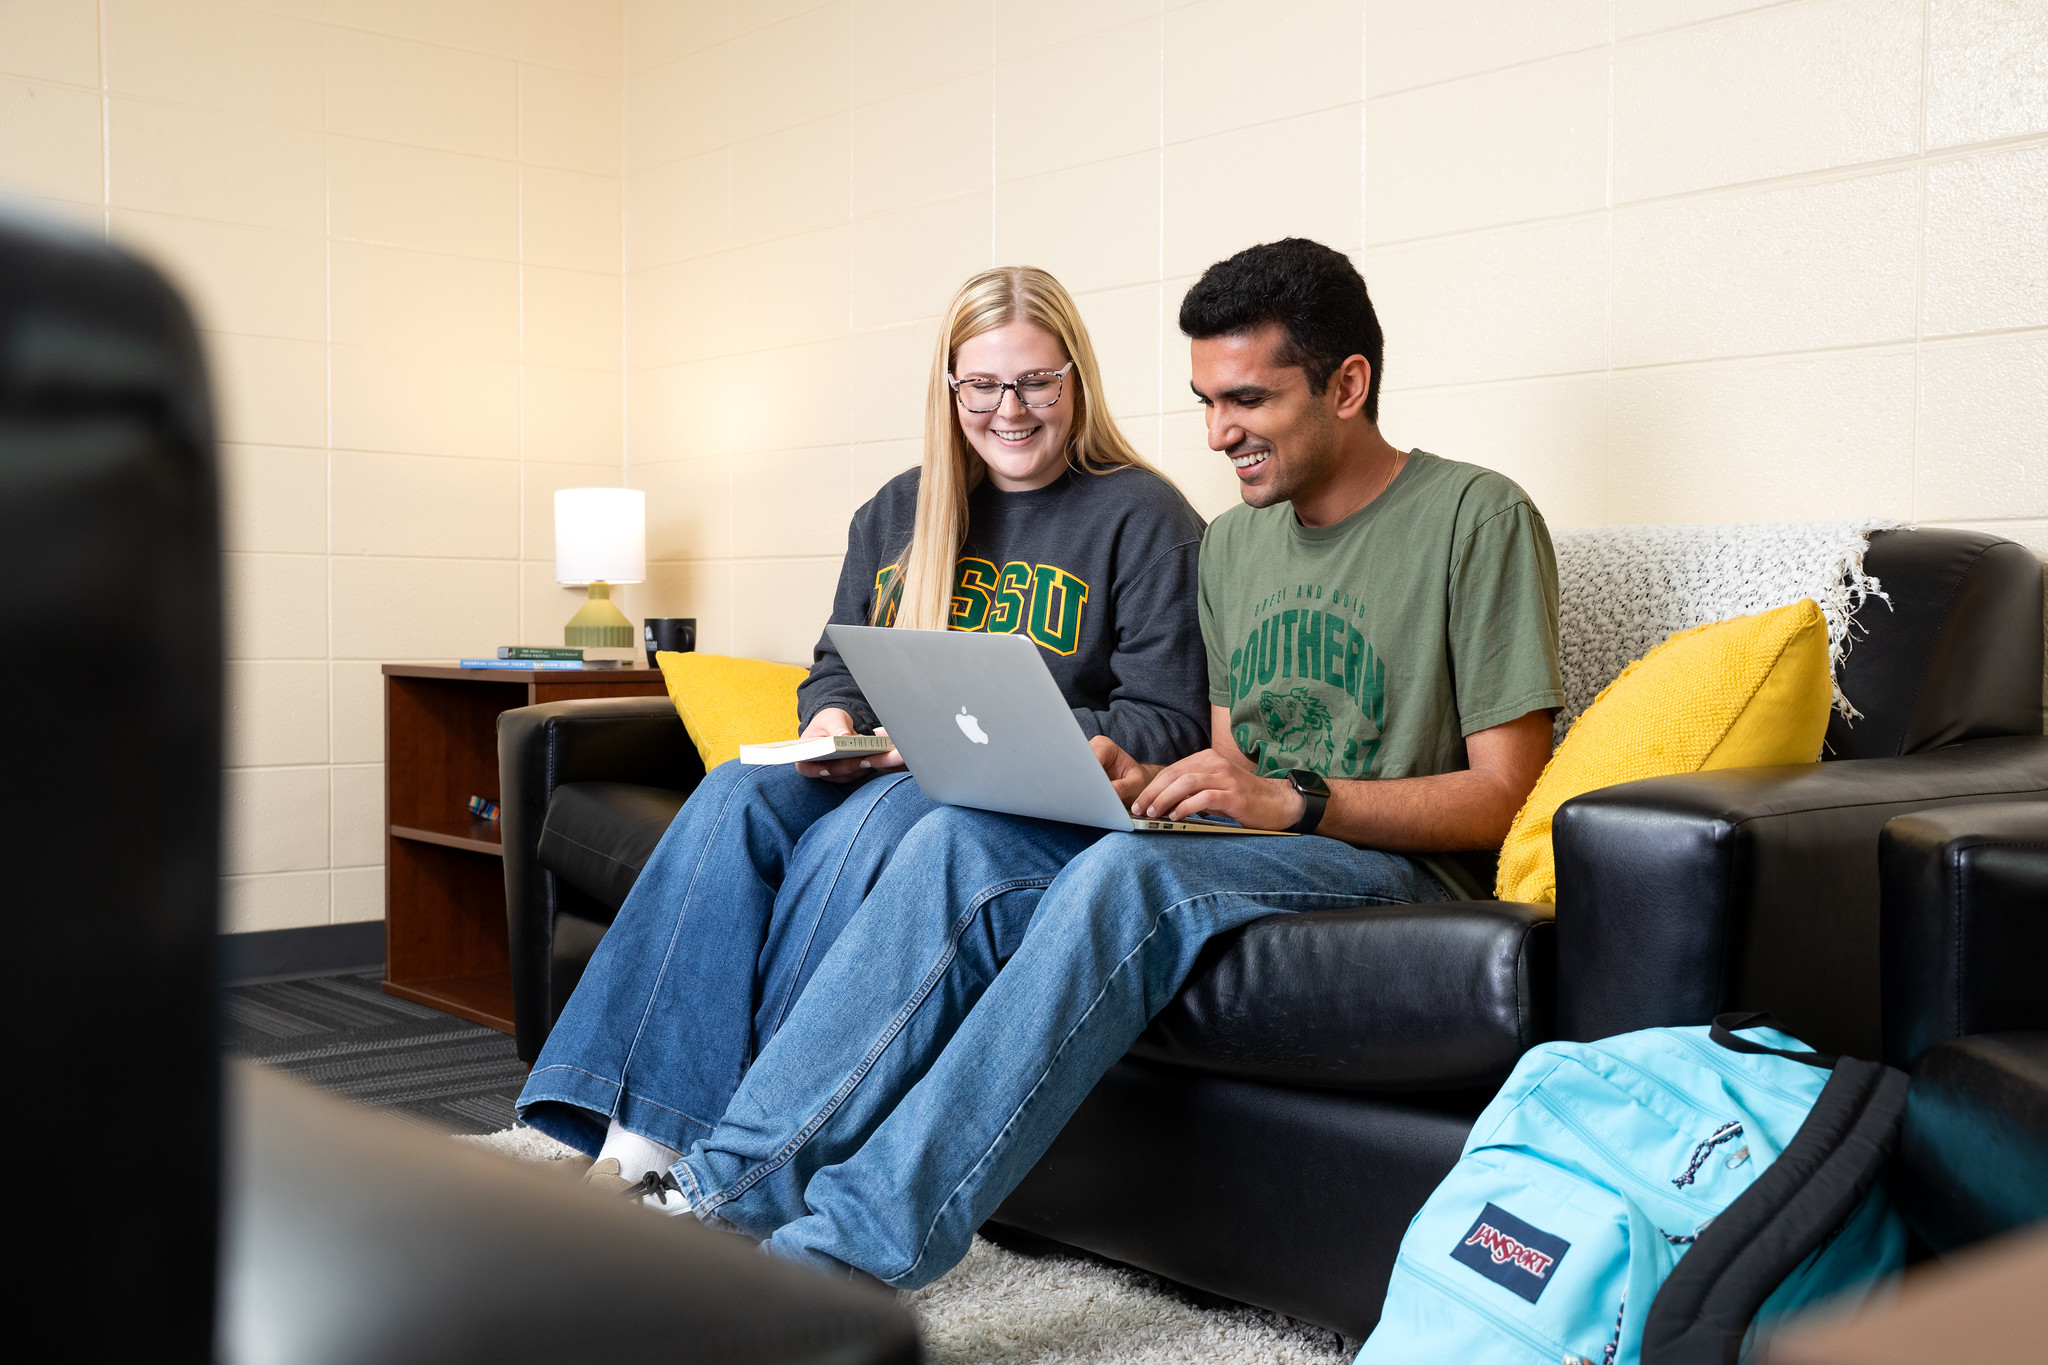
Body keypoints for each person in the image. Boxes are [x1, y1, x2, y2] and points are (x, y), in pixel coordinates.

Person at [641, 239, 1569, 1289]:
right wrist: (1142, 786)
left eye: (1248, 401)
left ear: (1346, 384)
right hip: (1238, 843)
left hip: (1380, 861)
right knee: (959, 836)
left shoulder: (1475, 518)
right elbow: (1224, 764)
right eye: (1206, 400)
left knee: (1128, 877)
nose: (1219, 434)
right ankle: (727, 1190)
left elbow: (1502, 799)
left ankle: (844, 1258)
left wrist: (1287, 800)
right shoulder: (1232, 543)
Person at [516, 266, 1210, 1182]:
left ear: (1077, 378)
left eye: (1038, 380)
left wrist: (941, 746)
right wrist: (833, 717)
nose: (1012, 408)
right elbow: (837, 662)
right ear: (951, 385)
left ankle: (748, 1149)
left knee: (876, 823)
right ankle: (637, 1132)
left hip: (1022, 806)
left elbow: (1163, 721)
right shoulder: (897, 509)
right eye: (984, 384)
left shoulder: (1144, 516)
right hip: (882, 763)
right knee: (735, 792)